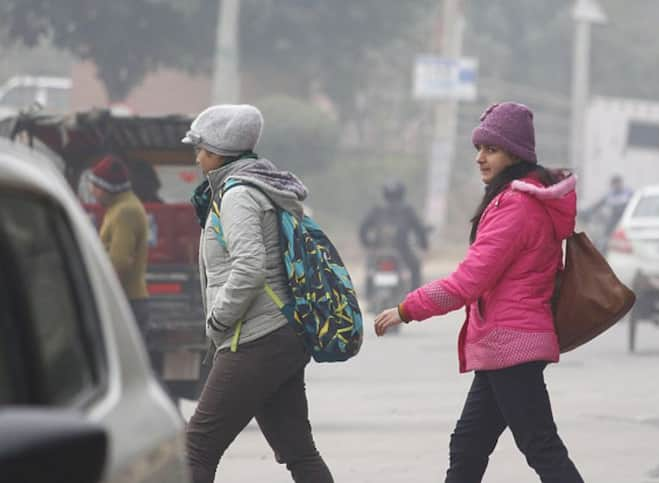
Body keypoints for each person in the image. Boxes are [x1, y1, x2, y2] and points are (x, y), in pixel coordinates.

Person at [374, 102, 584, 482]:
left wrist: (407, 309)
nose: (480, 158)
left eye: (491, 149)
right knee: (469, 445)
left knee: (540, 448)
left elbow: (468, 281)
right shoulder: (520, 201)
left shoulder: (516, 206)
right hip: (503, 345)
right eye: (479, 149)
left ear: (515, 154)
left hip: (512, 344)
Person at [183, 104, 333, 483]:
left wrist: (219, 318)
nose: (197, 156)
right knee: (299, 451)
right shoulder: (258, 186)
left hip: (255, 337)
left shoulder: (238, 196)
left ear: (219, 151)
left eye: (200, 148)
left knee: (195, 448)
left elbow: (249, 268)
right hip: (280, 333)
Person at [89, 154, 150, 329]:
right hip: (128, 301)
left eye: (95, 185)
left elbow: (119, 262)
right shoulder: (118, 207)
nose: (92, 190)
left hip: (127, 302)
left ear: (107, 187)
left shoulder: (125, 211)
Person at [359, 180, 428, 294]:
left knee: (369, 268)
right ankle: (415, 295)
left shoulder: (376, 210)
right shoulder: (407, 210)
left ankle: (369, 294)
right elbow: (419, 229)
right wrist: (424, 244)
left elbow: (363, 229)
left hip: (378, 250)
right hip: (402, 250)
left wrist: (368, 244)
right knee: (415, 267)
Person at [583, 174, 633, 252]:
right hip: (612, 220)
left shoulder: (628, 193)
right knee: (606, 236)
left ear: (621, 183)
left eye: (617, 183)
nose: (616, 185)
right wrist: (587, 211)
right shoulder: (609, 194)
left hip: (626, 219)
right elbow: (598, 204)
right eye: (614, 183)